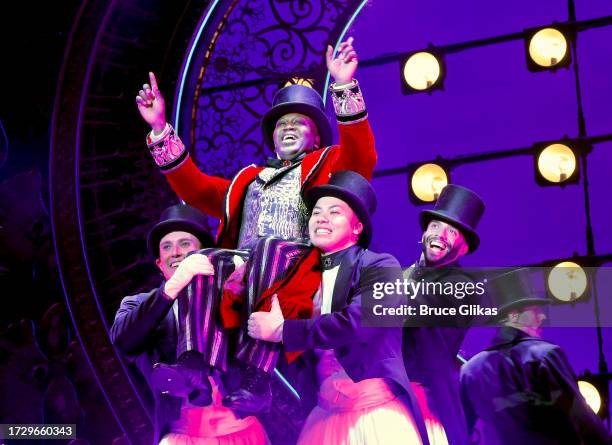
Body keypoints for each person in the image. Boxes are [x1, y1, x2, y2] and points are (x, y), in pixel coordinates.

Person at [135, 37, 377, 414]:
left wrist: (343, 85)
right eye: (282, 124)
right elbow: (196, 187)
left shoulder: (326, 167)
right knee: (203, 261)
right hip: (244, 271)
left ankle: (257, 377)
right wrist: (160, 128)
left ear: (316, 135)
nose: (289, 128)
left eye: (300, 122)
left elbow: (361, 156)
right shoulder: (247, 180)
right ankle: (195, 367)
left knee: (269, 246)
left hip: (296, 271)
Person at [247, 171, 447, 445]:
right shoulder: (299, 277)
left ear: (357, 228)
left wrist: (283, 330)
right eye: (316, 212)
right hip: (325, 414)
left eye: (335, 212)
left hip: (375, 416)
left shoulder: (380, 266)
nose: (321, 218)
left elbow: (359, 322)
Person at [110, 204, 270, 444]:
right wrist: (173, 287)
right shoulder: (138, 305)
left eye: (185, 244)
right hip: (182, 436)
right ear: (159, 263)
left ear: (206, 254)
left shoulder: (233, 297)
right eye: (167, 247)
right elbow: (123, 340)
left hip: (244, 432)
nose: (175, 252)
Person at [460, 268, 612, 445]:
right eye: (534, 310)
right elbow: (581, 419)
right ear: (513, 315)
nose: (542, 316)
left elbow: (463, 432)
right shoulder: (544, 355)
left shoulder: (469, 371)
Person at [402, 184, 486, 445]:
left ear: (462, 247)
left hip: (425, 402)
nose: (440, 234)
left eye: (452, 231)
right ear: (424, 232)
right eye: (435, 226)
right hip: (386, 393)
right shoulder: (402, 275)